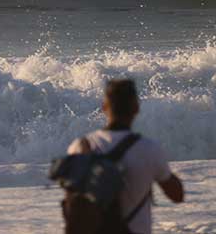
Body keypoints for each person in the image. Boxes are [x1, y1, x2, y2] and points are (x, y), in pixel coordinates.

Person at [65, 79, 184, 234]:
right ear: (136, 108)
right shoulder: (148, 149)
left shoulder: (80, 147)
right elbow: (177, 195)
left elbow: (73, 204)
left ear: (104, 107)